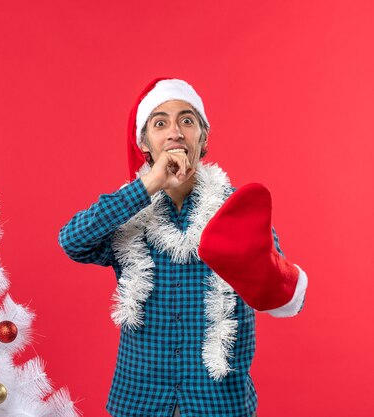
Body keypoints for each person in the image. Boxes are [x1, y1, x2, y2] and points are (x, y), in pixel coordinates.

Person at [58, 78, 308, 417]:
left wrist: (254, 265)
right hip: (140, 400)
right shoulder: (127, 213)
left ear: (202, 138)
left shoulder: (237, 209)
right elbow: (73, 241)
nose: (175, 132)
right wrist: (148, 185)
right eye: (160, 123)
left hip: (219, 403)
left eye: (187, 120)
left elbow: (279, 291)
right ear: (144, 143)